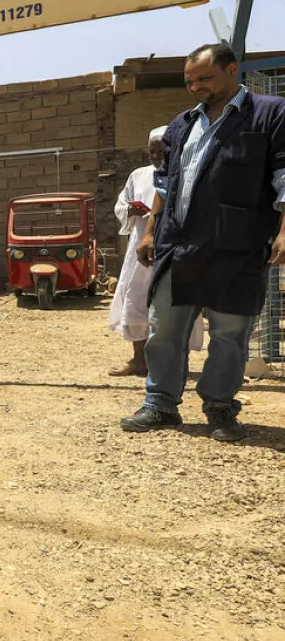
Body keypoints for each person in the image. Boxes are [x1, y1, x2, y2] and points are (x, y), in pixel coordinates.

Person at [122, 43, 285, 442]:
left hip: (237, 245)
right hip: (179, 245)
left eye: (204, 79)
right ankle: (160, 404)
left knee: (229, 333)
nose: (196, 87)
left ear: (232, 69)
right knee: (164, 328)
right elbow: (165, 182)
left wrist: (284, 231)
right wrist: (150, 230)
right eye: (190, 81)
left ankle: (220, 408)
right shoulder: (182, 124)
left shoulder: (269, 114)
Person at [108, 127, 202, 376]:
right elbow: (120, 205)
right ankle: (139, 360)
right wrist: (130, 210)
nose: (156, 156)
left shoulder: (188, 173)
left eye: (161, 151)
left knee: (177, 304)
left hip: (175, 249)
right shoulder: (138, 175)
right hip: (141, 248)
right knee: (136, 300)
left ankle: (176, 364)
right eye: (152, 152)